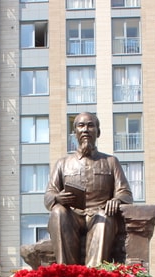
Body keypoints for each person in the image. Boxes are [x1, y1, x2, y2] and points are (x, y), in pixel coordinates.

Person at [44, 112, 133, 266]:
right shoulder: (63, 163)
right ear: (75, 132)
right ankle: (66, 273)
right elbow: (49, 195)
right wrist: (57, 198)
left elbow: (125, 192)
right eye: (81, 125)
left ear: (98, 132)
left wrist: (116, 200)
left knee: (105, 216)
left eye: (90, 125)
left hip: (99, 214)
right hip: (72, 216)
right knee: (58, 212)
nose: (85, 129)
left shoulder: (111, 162)